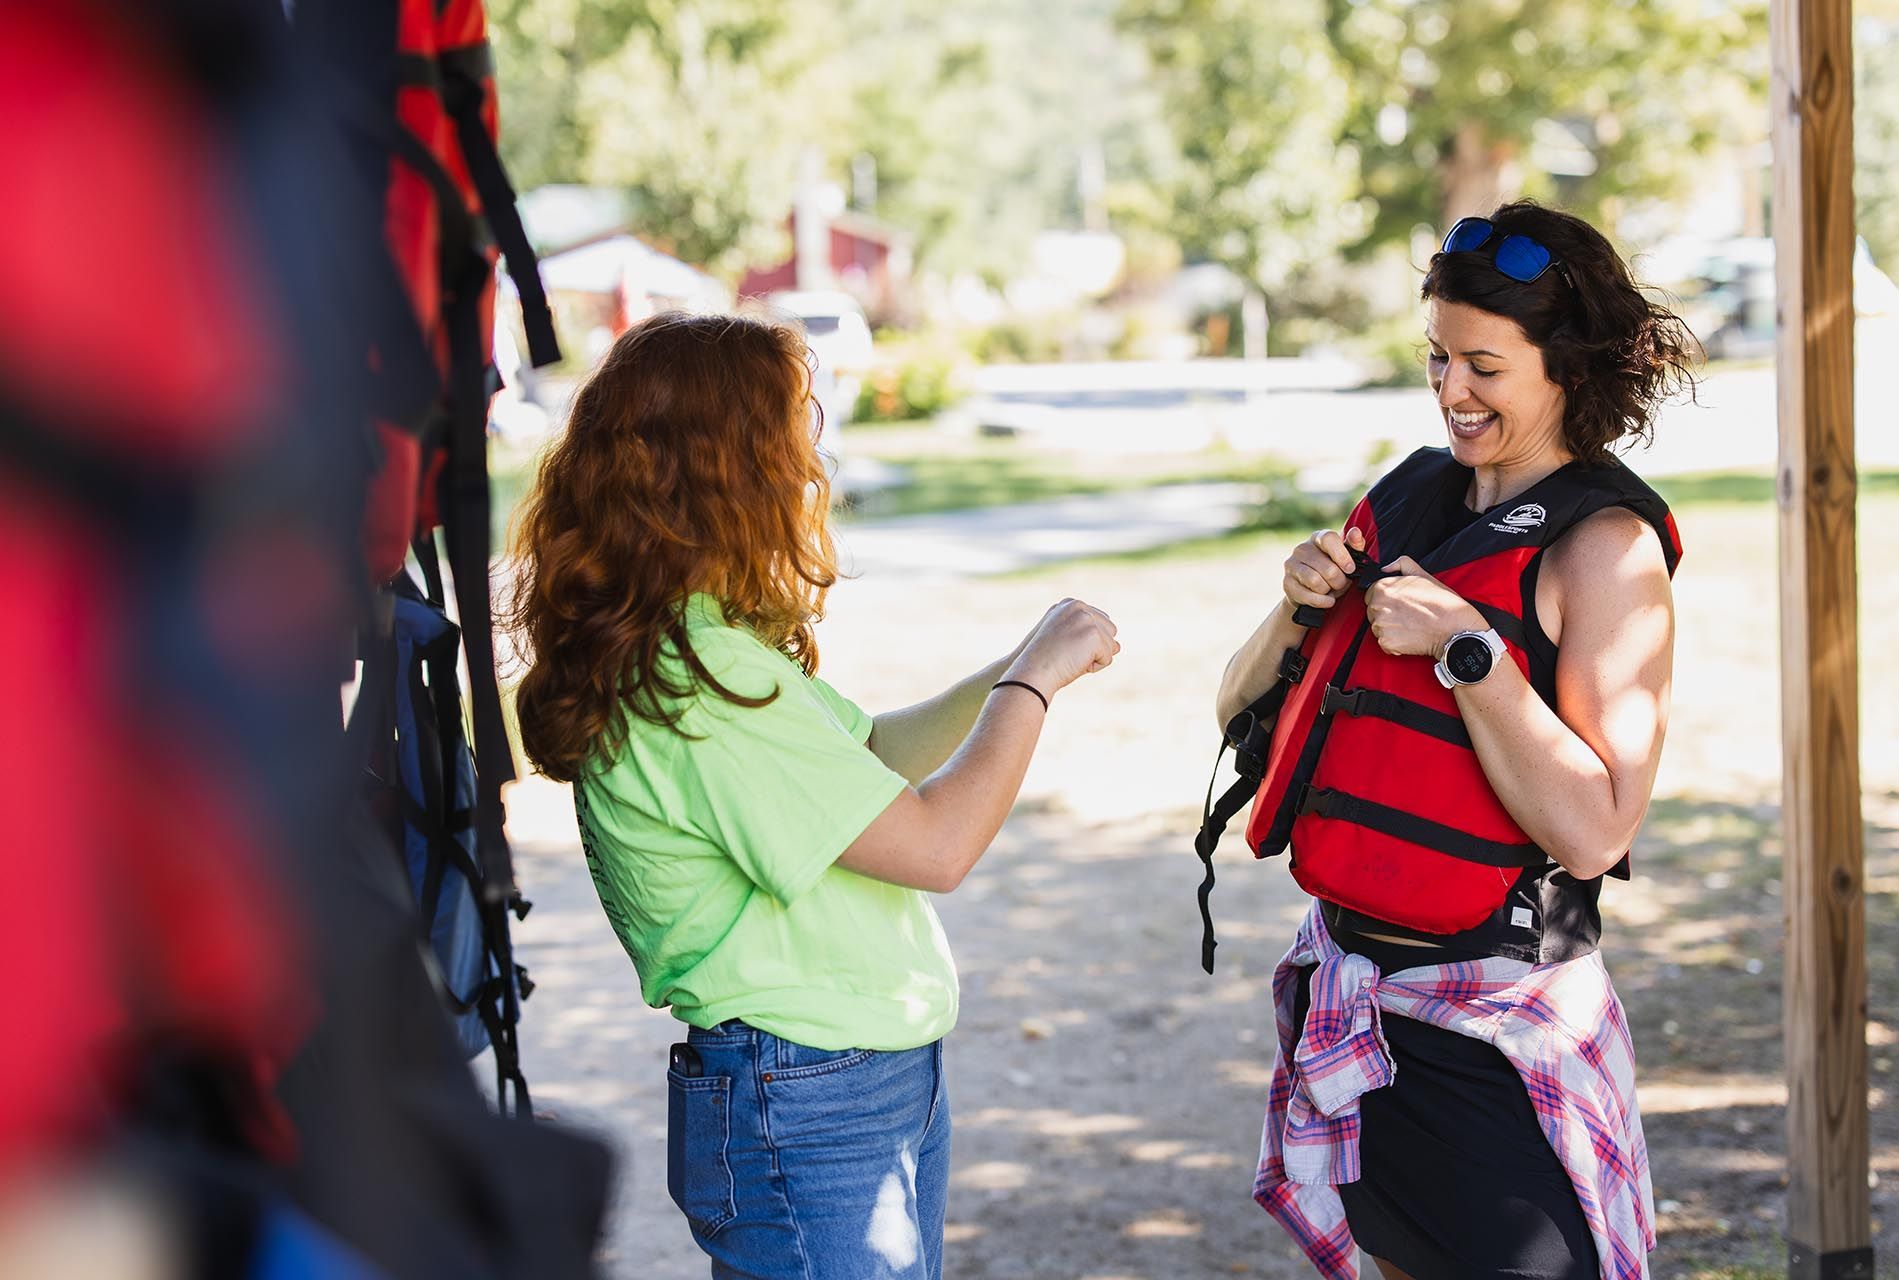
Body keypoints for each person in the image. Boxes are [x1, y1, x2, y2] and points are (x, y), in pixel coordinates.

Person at [507, 311, 1119, 1279]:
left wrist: (1010, 666)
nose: (810, 471)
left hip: (848, 1070)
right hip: (804, 1089)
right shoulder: (696, 683)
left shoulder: (702, 640)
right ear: (723, 472)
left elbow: (871, 753)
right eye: (791, 442)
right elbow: (936, 844)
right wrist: (1029, 687)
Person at [1215, 202, 1695, 1280]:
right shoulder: (1408, 498)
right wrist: (1292, 607)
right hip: (1359, 1003)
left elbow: (1593, 826)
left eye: (1485, 363)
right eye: (1437, 355)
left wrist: (1473, 651)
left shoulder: (1607, 548)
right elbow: (1236, 712)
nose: (1450, 389)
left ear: (1567, 367)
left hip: (1495, 1030)